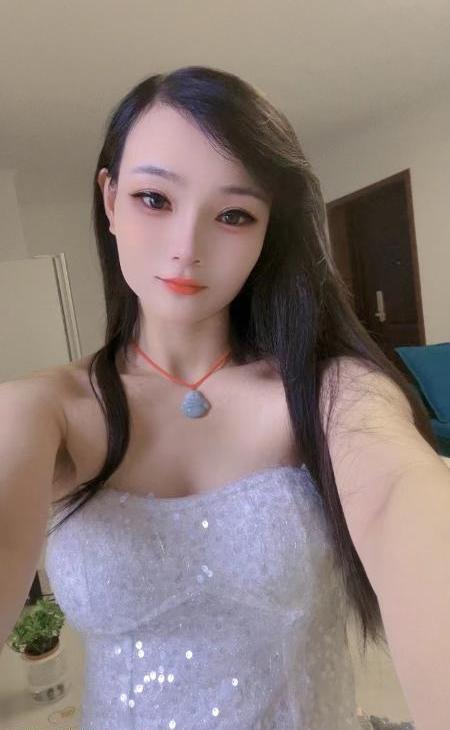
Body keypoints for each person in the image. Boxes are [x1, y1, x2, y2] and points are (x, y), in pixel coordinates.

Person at [4, 65, 447, 729]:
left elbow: (402, 500)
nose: (187, 247)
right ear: (110, 198)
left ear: (268, 231)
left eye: (234, 214)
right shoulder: (44, 411)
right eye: (155, 199)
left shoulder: (332, 392)